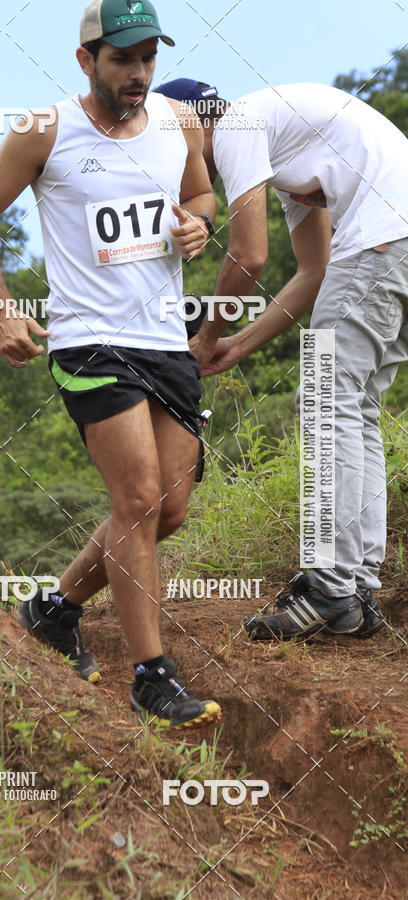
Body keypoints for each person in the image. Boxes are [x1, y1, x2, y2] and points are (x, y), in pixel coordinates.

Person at [0, 0, 222, 728]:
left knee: (165, 511)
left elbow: (199, 191)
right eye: (123, 60)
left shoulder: (178, 122)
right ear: (87, 61)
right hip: (89, 342)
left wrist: (200, 220)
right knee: (136, 498)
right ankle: (151, 676)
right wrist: (4, 310)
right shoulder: (46, 131)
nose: (139, 73)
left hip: (166, 343)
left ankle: (53, 610)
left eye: (148, 59)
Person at [156, 79, 408, 641]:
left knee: (325, 400)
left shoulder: (239, 123)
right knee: (354, 408)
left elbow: (248, 257)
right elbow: (312, 273)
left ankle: (329, 588)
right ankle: (355, 585)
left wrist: (204, 338)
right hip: (394, 247)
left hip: (380, 245)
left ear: (193, 121)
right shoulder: (288, 144)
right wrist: (238, 344)